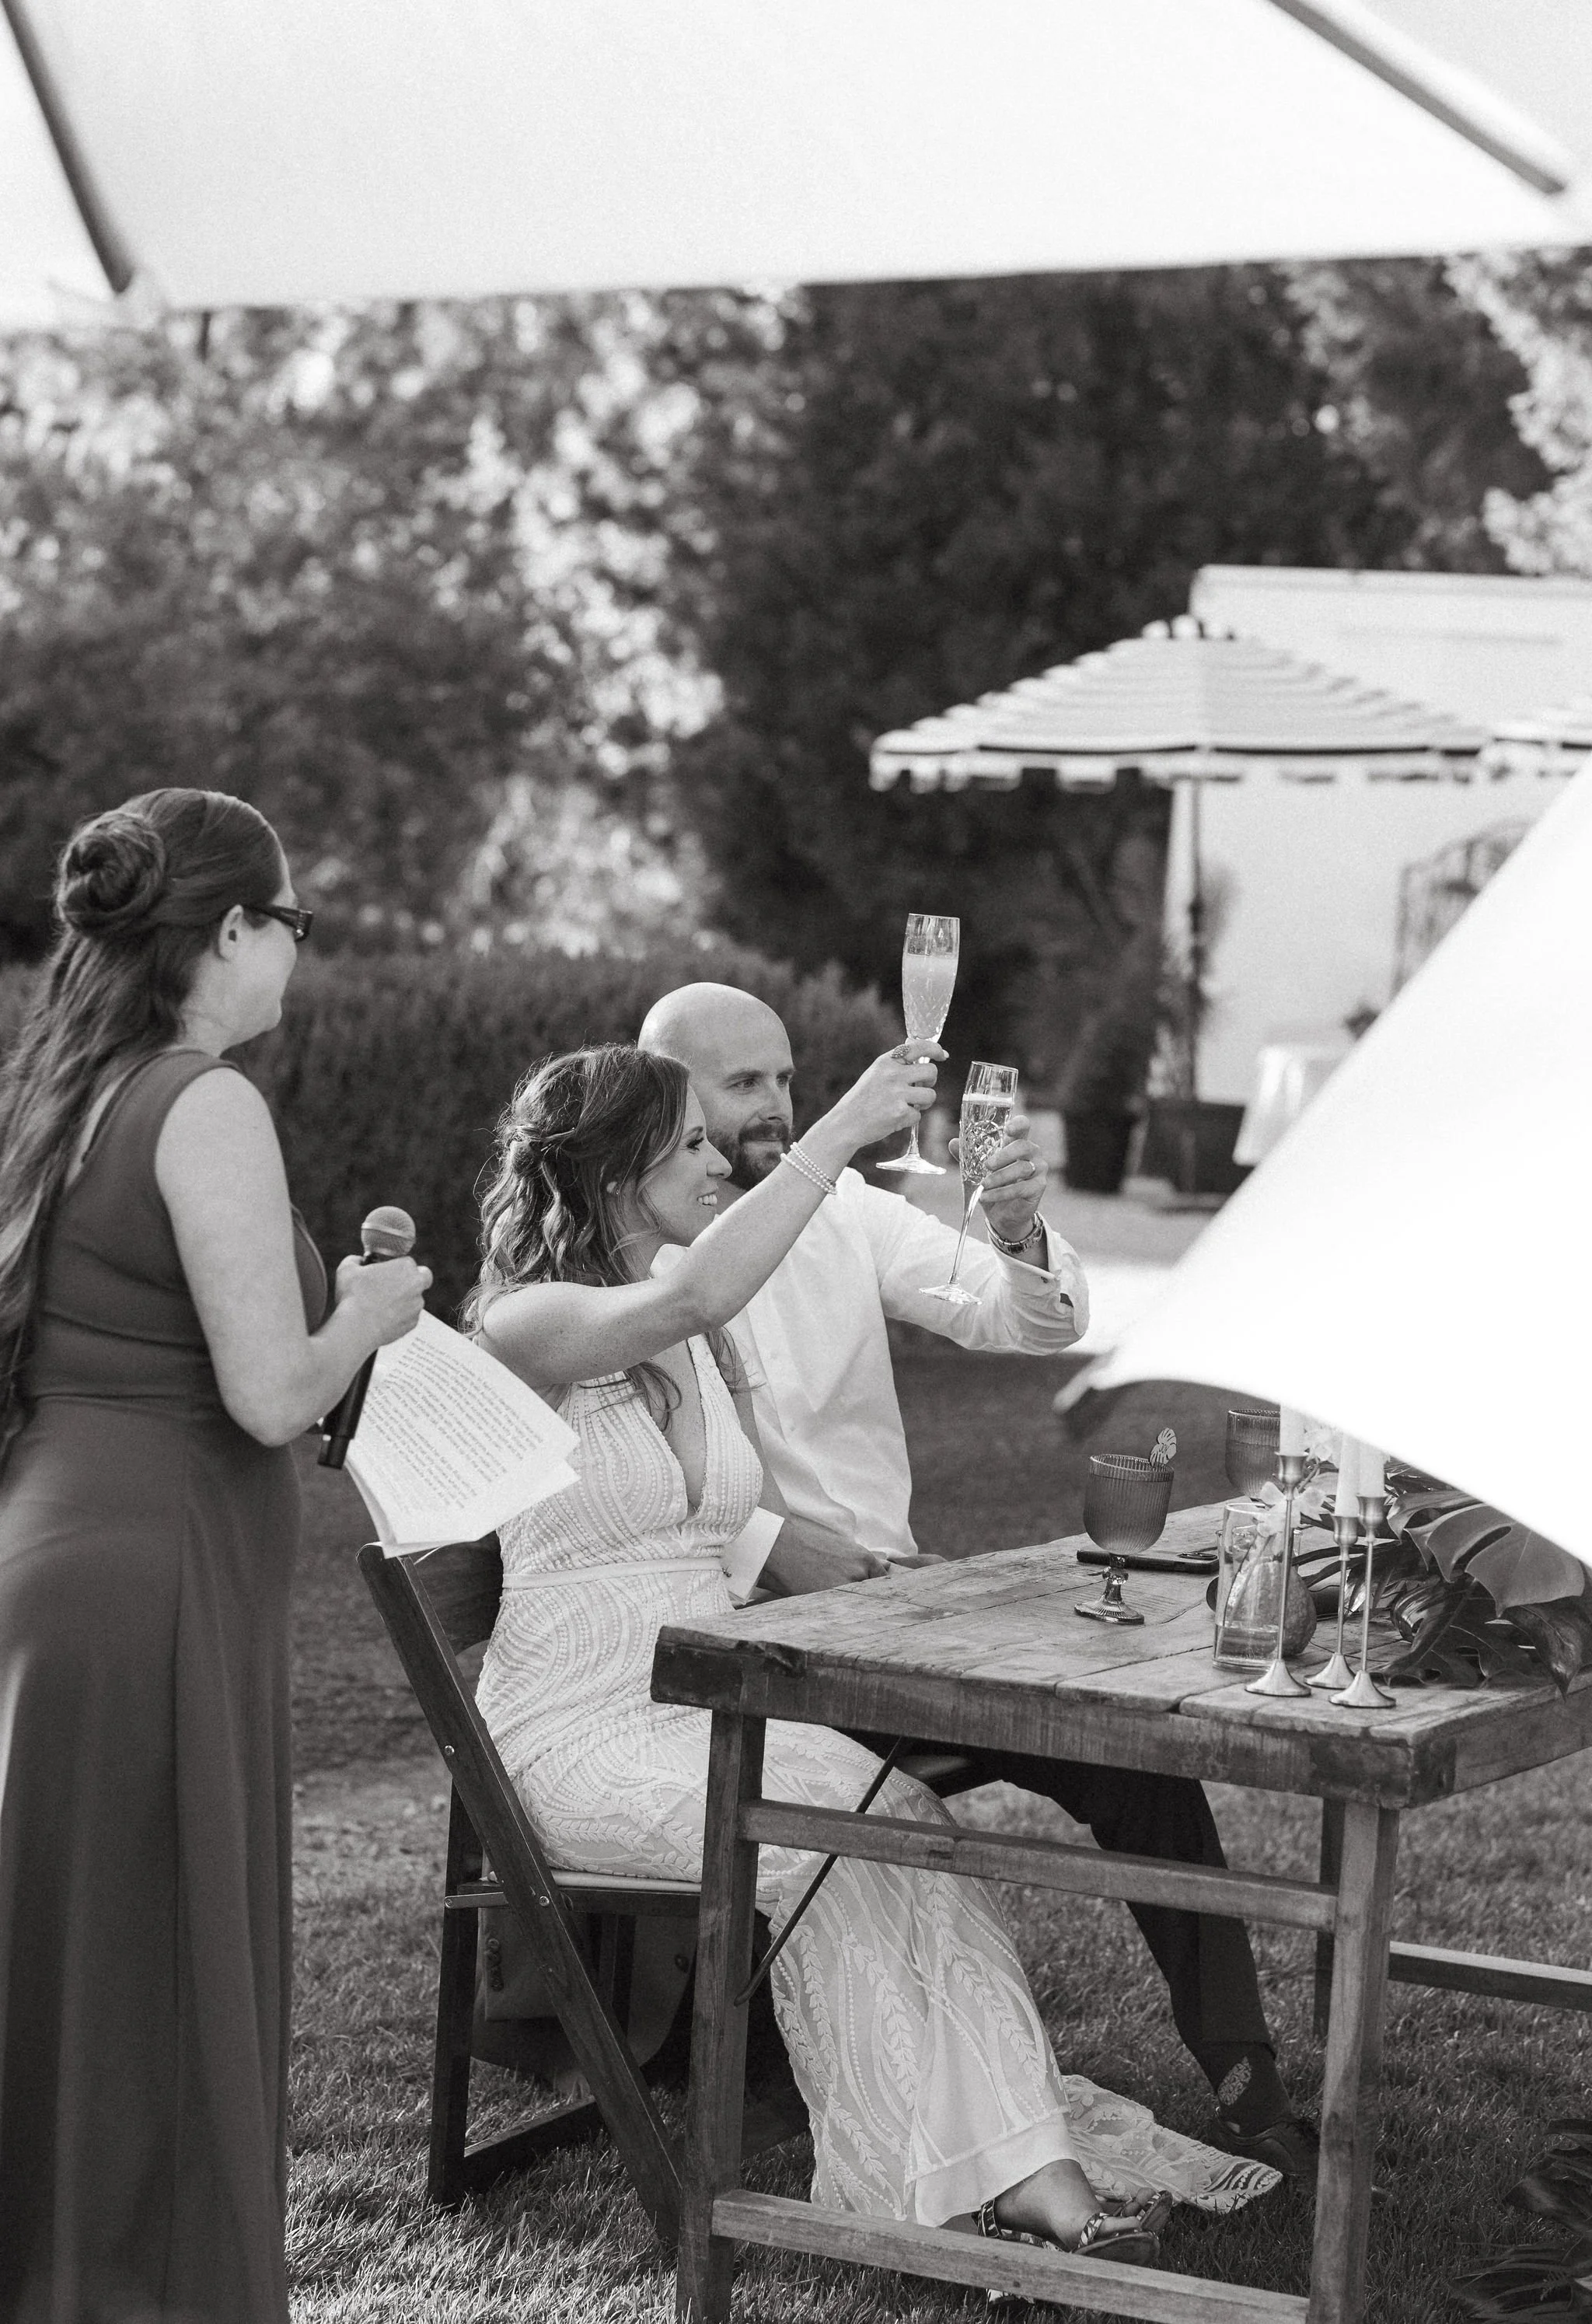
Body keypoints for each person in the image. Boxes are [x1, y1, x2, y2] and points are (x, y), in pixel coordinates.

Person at [470, 1042, 1276, 2259]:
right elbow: (687, 1303)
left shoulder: (704, 1335)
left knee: (902, 1825)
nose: (713, 1155)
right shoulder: (530, 1319)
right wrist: (842, 1127)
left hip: (710, 1702)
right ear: (613, 1170)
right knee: (817, 1850)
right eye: (688, 1138)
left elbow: (723, 1514)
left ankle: (1026, 2169)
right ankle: (963, 2187)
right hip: (576, 1727)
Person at [637, 981, 1317, 2182]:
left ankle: (1246, 2072)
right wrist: (766, 1549)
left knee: (1139, 1755)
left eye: (788, 1080)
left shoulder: (842, 1210)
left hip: (893, 1619)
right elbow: (628, 1476)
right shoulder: (634, 1245)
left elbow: (1034, 1326)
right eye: (744, 1084)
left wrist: (1013, 1232)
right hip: (749, 1655)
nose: (776, 1107)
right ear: (660, 1092)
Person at [0, 792, 430, 2324]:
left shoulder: (65, 1083)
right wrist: (370, 1318)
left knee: (78, 1975)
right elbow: (266, 1390)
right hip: (154, 1581)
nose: (299, 953)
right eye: (293, 921)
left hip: (66, 1557)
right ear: (229, 930)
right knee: (158, 1984)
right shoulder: (205, 1098)